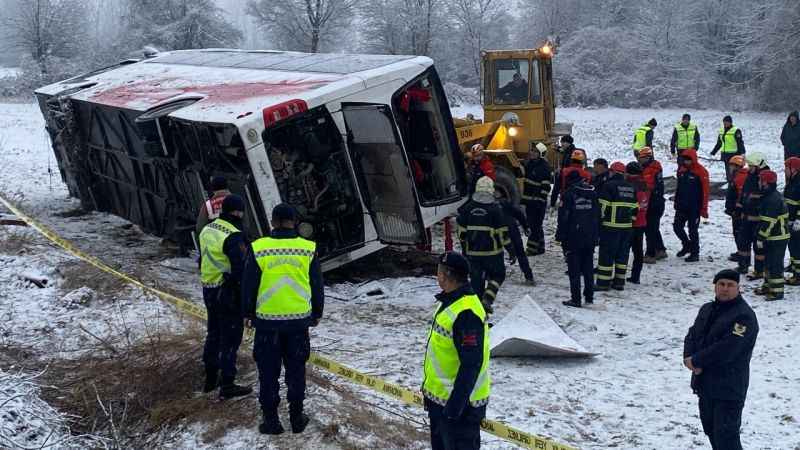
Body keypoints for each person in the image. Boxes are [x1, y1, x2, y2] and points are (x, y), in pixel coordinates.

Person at [242, 203, 325, 435]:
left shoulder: (259, 247)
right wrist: (317, 312)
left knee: (268, 373)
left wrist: (247, 313)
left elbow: (249, 285)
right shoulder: (308, 248)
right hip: (298, 324)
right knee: (296, 371)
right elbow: (317, 285)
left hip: (267, 324)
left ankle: (271, 421)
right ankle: (297, 418)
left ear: (272, 221)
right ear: (295, 222)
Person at [683, 269, 758, 450]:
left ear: (738, 288)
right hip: (705, 384)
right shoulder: (707, 309)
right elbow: (692, 335)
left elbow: (728, 348)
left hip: (729, 387)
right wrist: (688, 358)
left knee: (726, 437)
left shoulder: (744, 316)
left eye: (730, 285)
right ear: (715, 287)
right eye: (721, 284)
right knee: (710, 430)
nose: (725, 289)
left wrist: (698, 360)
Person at [423, 252, 490, 450]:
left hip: (460, 411)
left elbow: (471, 364)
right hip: (442, 405)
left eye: (439, 272)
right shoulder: (449, 302)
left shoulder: (466, 313)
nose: (437, 276)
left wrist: (453, 410)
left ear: (445, 276)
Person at [197, 194, 252, 398]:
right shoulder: (233, 234)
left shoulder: (207, 230)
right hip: (226, 292)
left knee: (214, 332)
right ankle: (227, 384)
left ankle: (211, 377)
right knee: (230, 338)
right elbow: (241, 269)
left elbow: (202, 258)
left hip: (208, 288)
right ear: (237, 212)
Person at [457, 176, 508, 313]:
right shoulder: (495, 209)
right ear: (491, 190)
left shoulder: (467, 208)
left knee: (476, 285)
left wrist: (465, 248)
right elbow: (503, 232)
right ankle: (488, 299)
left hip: (473, 254)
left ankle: (478, 317)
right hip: (493, 254)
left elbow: (461, 232)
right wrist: (511, 250)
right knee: (498, 275)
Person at [556, 170, 599, 307]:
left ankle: (576, 299)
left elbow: (563, 218)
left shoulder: (568, 195)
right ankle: (589, 297)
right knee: (588, 268)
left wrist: (560, 236)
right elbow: (597, 215)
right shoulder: (592, 193)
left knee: (574, 269)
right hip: (590, 236)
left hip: (573, 237)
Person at [595, 162, 637, 291]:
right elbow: (635, 208)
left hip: (610, 227)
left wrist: (598, 222)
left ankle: (603, 283)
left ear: (612, 172)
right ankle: (619, 282)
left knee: (607, 255)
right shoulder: (631, 187)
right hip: (627, 228)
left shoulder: (608, 186)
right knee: (622, 255)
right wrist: (630, 222)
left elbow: (602, 206)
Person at [753, 170, 789, 301]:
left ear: (766, 183)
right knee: (768, 263)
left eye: (760, 181)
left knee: (775, 264)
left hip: (777, 237)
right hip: (773, 236)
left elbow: (769, 221)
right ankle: (768, 286)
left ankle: (777, 292)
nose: (759, 183)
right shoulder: (769, 196)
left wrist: (761, 237)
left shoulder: (772, 199)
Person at [735, 153, 769, 277]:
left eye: (751, 166)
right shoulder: (751, 176)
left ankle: (759, 270)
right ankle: (743, 265)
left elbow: (767, 200)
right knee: (743, 242)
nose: (749, 168)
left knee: (758, 247)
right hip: (746, 217)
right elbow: (744, 193)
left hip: (758, 220)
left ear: (759, 165)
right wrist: (739, 207)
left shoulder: (765, 178)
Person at [674, 149, 709, 262]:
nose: (686, 162)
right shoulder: (681, 170)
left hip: (695, 207)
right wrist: (676, 201)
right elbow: (678, 188)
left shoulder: (701, 172)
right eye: (685, 159)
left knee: (693, 230)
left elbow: (705, 191)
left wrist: (703, 208)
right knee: (677, 227)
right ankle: (686, 245)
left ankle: (695, 253)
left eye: (688, 160)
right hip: (682, 205)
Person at [521, 142, 551, 257]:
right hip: (530, 201)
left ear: (541, 154)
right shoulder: (530, 164)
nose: (532, 153)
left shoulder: (544, 167)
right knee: (536, 225)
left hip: (537, 202)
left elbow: (545, 186)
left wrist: (541, 200)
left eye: (535, 152)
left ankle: (532, 249)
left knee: (534, 225)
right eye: (532, 151)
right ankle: (540, 246)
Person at [498, 192, 535, 285]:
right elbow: (519, 214)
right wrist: (526, 226)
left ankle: (494, 276)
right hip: (512, 229)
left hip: (498, 232)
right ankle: (529, 277)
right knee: (520, 253)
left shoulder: (489, 206)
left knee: (496, 253)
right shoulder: (506, 203)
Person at [639, 147, 667, 263]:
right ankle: (660, 249)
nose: (640, 160)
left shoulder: (653, 169)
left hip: (654, 202)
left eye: (642, 158)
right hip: (652, 202)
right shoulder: (648, 168)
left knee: (650, 229)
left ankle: (650, 254)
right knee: (653, 228)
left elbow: (653, 187)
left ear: (648, 157)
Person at [626, 162, 650, 284]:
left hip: (630, 223)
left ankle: (619, 276)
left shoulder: (630, 185)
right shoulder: (644, 184)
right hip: (641, 222)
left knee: (624, 251)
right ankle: (636, 276)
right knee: (638, 251)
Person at [724, 155, 749, 262]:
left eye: (731, 165)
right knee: (738, 232)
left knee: (739, 232)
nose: (729, 167)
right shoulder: (737, 176)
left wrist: (736, 209)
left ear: (737, 166)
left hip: (739, 211)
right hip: (736, 210)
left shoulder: (740, 177)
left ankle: (742, 253)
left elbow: (740, 195)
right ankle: (740, 252)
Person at [710, 115, 745, 182]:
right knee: (728, 170)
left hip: (734, 154)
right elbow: (719, 143)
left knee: (734, 170)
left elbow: (740, 142)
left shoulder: (736, 130)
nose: (725, 123)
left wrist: (742, 153)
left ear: (730, 122)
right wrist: (713, 152)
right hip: (725, 154)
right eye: (724, 122)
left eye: (727, 122)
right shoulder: (721, 130)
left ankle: (734, 182)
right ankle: (730, 182)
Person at [784, 157, 800, 285]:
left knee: (797, 249)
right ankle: (795, 271)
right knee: (793, 248)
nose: (785, 170)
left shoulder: (798, 182)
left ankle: (798, 276)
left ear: (793, 169)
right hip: (790, 220)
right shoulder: (792, 181)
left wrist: (798, 220)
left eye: (786, 168)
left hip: (797, 223)